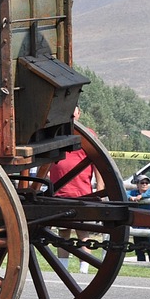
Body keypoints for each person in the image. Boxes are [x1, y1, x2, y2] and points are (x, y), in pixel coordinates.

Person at [46, 107, 104, 274]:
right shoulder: (55, 135)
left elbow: (98, 162)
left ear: (79, 114)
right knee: (63, 232)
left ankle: (84, 269)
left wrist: (100, 187)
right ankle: (63, 268)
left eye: (74, 112)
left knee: (83, 233)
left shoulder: (88, 135)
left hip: (81, 191)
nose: (72, 115)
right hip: (60, 191)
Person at [127, 176, 150, 262]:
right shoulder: (133, 192)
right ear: (137, 184)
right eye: (142, 183)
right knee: (139, 249)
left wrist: (142, 196)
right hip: (138, 223)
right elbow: (125, 193)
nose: (145, 184)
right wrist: (130, 198)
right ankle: (141, 265)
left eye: (146, 183)